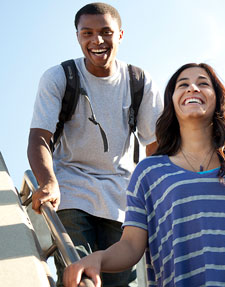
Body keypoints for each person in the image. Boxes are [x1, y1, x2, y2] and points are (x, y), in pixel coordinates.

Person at [62, 63, 225, 287]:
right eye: (183, 84)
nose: (192, 88)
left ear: (217, 98)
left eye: (203, 83)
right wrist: (98, 259)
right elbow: (130, 246)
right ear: (171, 100)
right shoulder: (148, 172)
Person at [27, 3, 163, 286]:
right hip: (71, 193)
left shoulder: (139, 81)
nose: (97, 40)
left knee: (121, 282)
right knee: (81, 277)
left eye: (105, 32)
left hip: (122, 201)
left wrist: (156, 199)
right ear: (77, 36)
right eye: (87, 33)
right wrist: (48, 181)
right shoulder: (59, 77)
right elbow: (40, 137)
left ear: (120, 35)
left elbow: (155, 148)